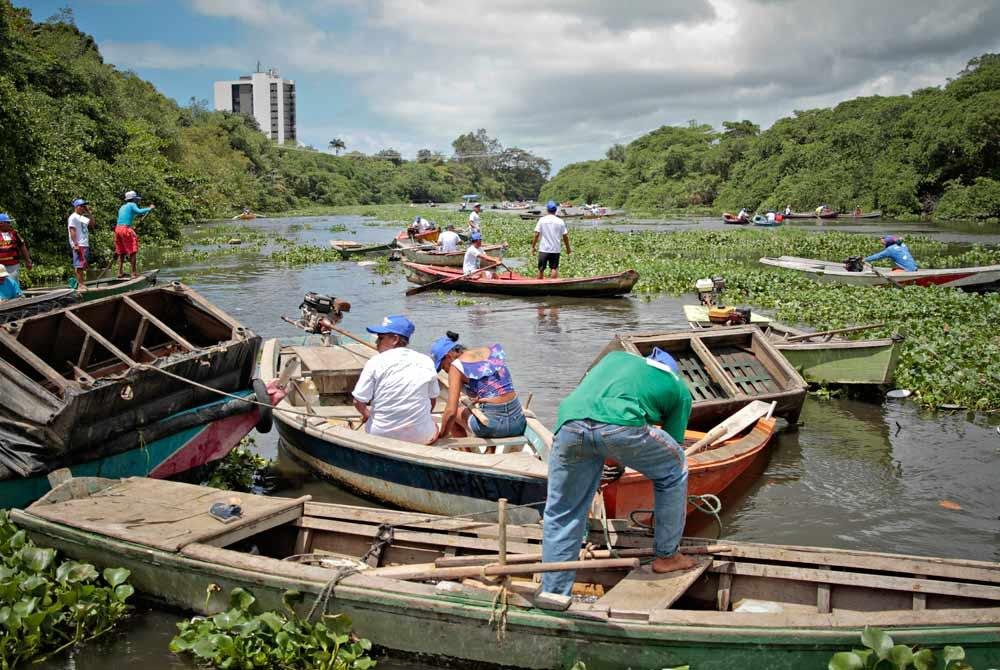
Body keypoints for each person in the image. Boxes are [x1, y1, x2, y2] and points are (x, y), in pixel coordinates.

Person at [539, 347, 695, 597]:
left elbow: (595, 422)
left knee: (563, 510)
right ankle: (667, 555)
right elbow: (670, 449)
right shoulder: (678, 388)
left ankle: (553, 592)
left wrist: (615, 462)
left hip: (569, 423)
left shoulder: (615, 358)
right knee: (674, 470)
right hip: (621, 426)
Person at [351, 315, 441, 444]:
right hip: (420, 437)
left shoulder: (375, 361)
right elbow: (432, 400)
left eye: (380, 338)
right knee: (435, 426)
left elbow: (358, 401)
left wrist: (367, 415)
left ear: (394, 339)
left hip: (380, 435)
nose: (376, 342)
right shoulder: (426, 361)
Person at [429, 332, 526, 442]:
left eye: (442, 366)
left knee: (451, 417)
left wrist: (441, 436)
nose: (445, 371)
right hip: (518, 422)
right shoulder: (491, 350)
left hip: (491, 427)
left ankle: (466, 455)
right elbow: (496, 386)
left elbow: (451, 412)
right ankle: (490, 451)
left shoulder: (456, 367)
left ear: (448, 356)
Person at [116, 190, 154, 278]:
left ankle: (120, 272)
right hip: (125, 229)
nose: (137, 201)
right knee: (133, 250)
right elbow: (139, 211)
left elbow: (128, 215)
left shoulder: (123, 206)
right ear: (133, 199)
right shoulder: (132, 205)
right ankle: (133, 273)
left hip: (118, 229)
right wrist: (150, 208)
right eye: (136, 199)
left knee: (121, 251)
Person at [531, 200, 571, 279]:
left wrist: (533, 247)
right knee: (554, 268)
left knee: (541, 269)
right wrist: (568, 248)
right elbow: (565, 236)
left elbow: (536, 234)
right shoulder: (560, 221)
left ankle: (539, 286)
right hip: (555, 249)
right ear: (556, 210)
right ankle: (552, 286)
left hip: (544, 249)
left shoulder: (542, 220)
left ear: (547, 210)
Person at [67, 198, 95, 291]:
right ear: (77, 207)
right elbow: (72, 230)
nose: (84, 208)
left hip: (85, 243)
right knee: (79, 265)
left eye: (84, 206)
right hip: (79, 244)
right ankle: (80, 285)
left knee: (83, 264)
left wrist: (89, 213)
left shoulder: (81, 217)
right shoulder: (73, 217)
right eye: (82, 206)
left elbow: (92, 224)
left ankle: (81, 283)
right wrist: (75, 244)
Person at [0, 213, 32, 280]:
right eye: (8, 222)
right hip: (0, 266)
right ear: (1, 223)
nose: (9, 224)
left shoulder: (14, 233)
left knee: (13, 284)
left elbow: (22, 246)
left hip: (13, 265)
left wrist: (28, 261)